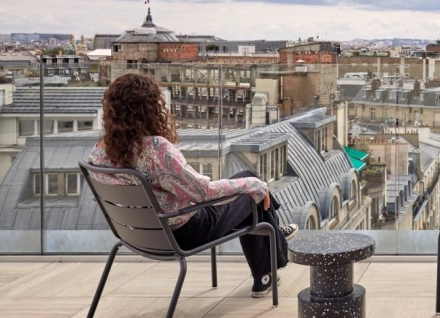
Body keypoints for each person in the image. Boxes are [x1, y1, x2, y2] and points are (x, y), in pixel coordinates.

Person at [87, 73, 298, 298]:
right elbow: (203, 192)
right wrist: (256, 185)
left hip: (138, 235)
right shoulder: (155, 150)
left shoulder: (99, 152)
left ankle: (270, 244)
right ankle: (273, 242)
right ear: (150, 108)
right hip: (185, 232)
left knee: (249, 186)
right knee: (251, 187)